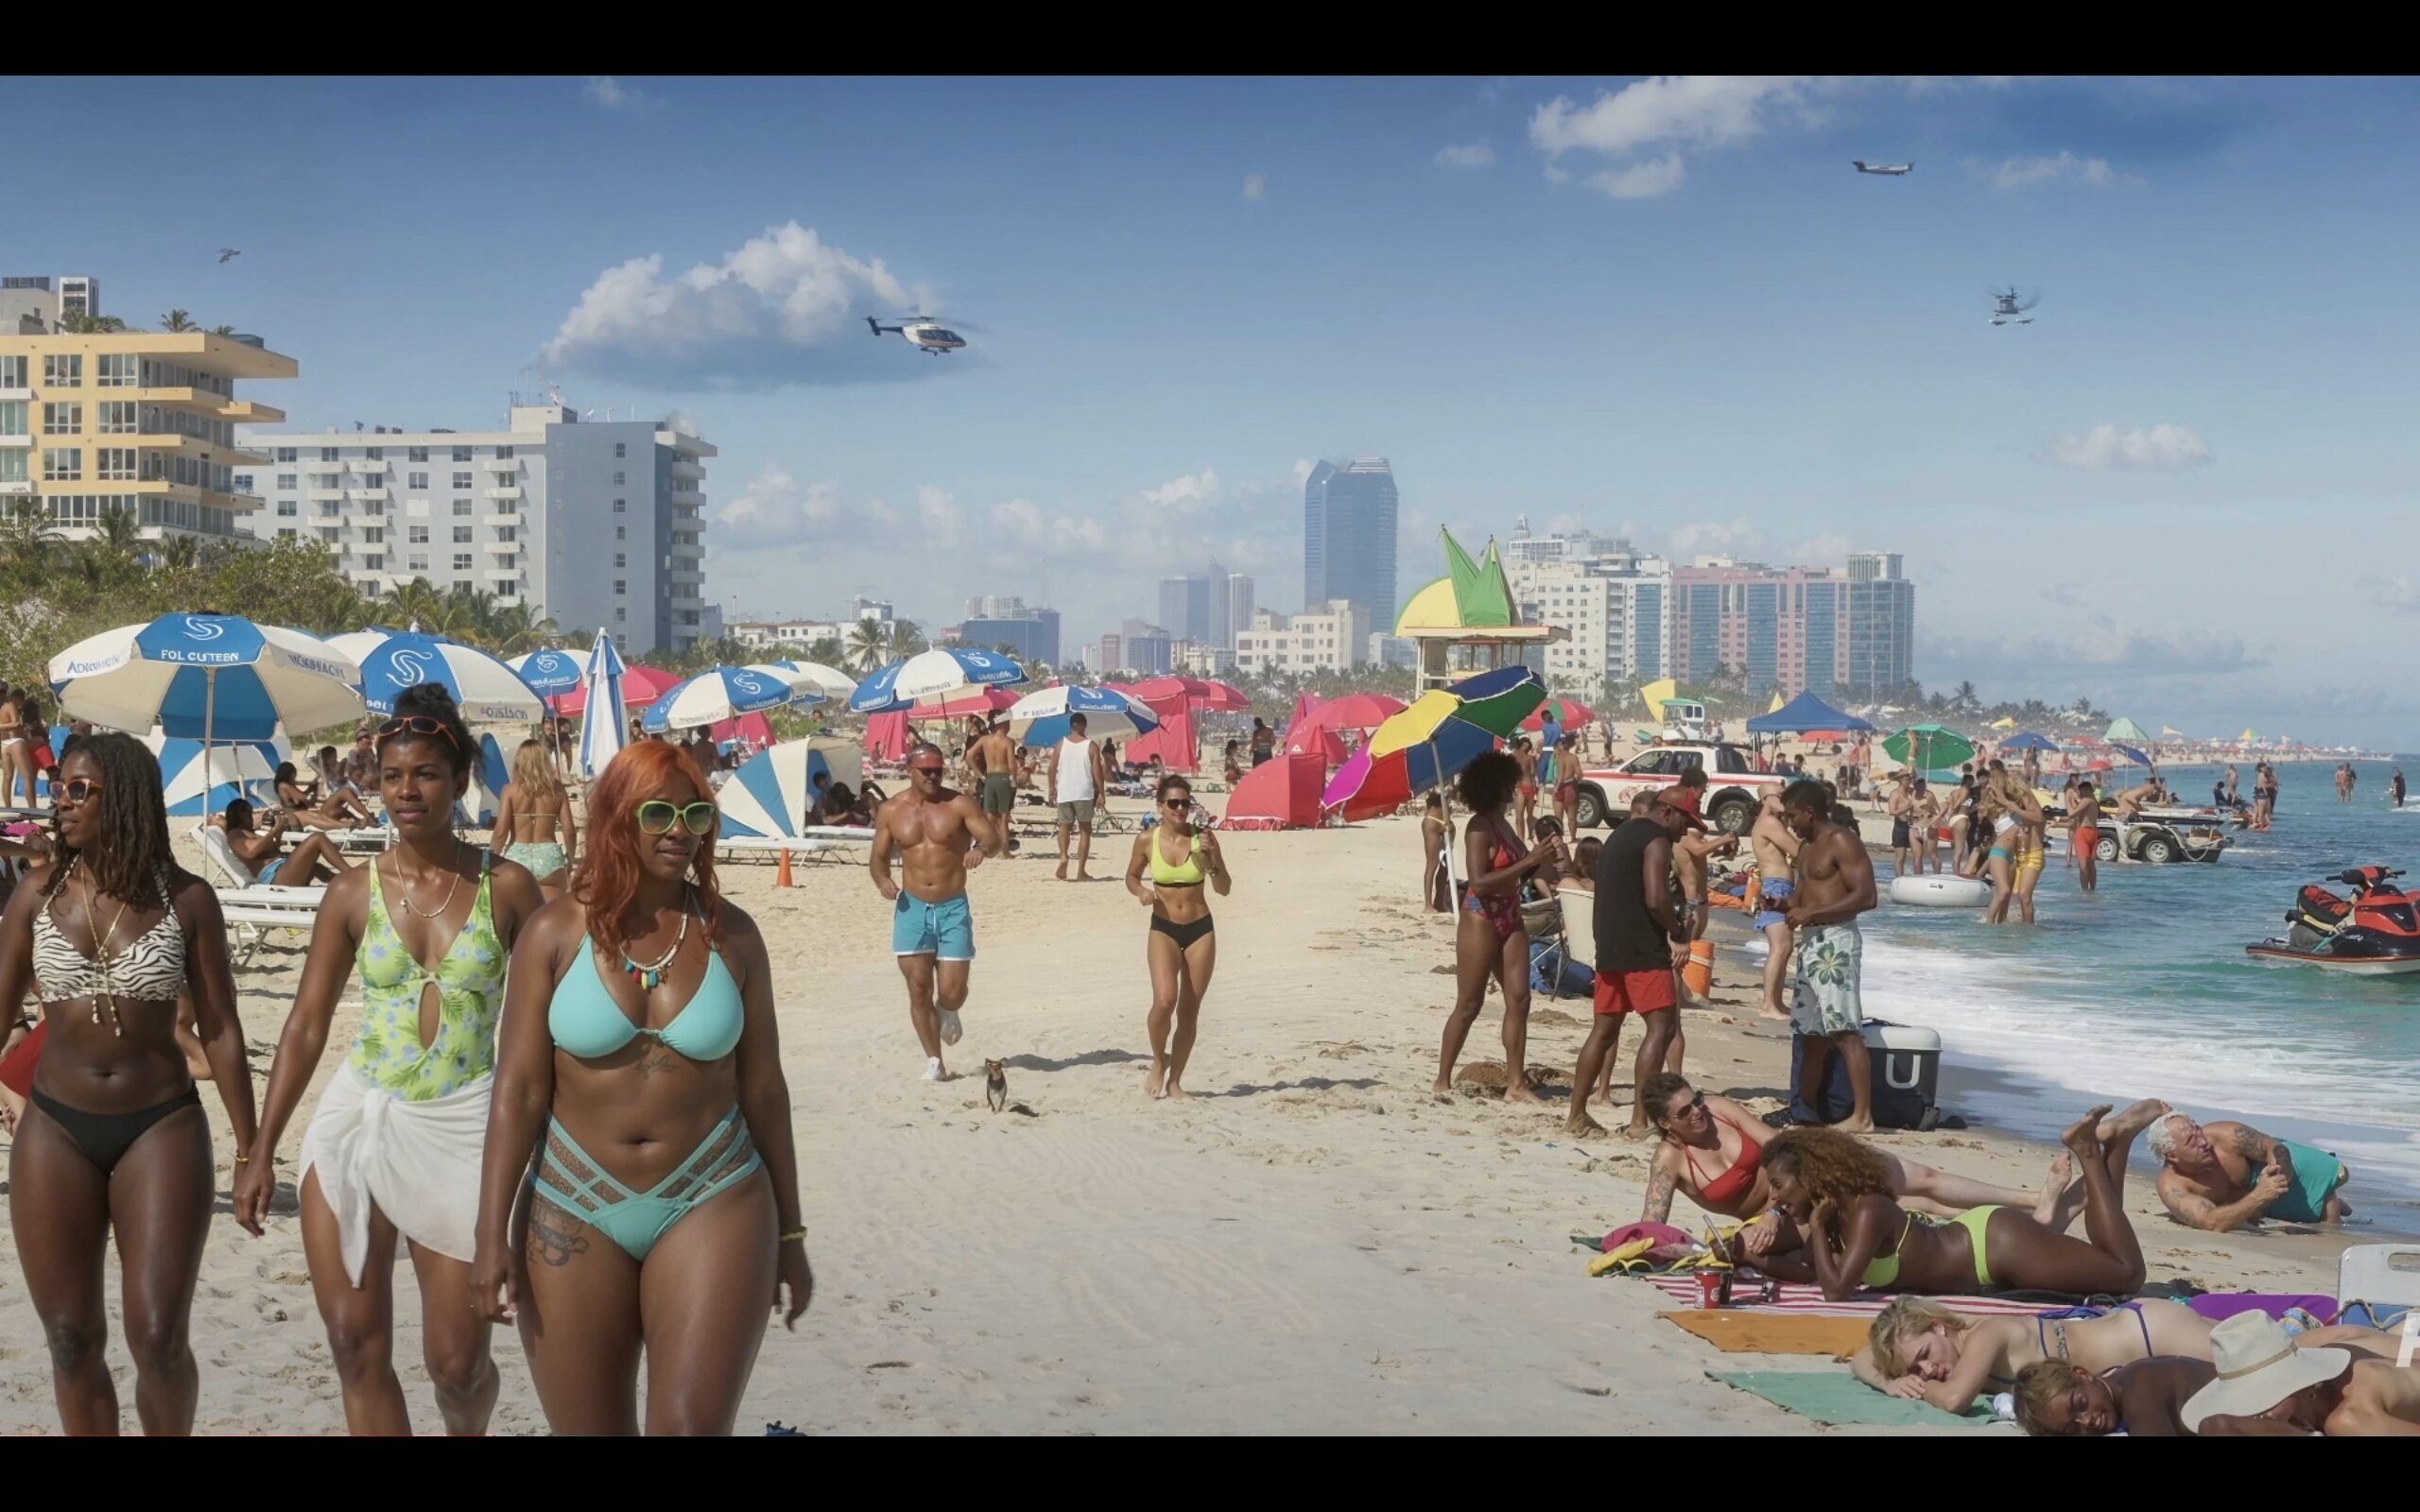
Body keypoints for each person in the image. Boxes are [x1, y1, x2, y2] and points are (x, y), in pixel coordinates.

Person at [472, 740, 812, 1435]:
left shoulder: (734, 936)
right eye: (658, 813)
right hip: (572, 1198)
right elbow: (519, 1091)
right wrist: (489, 1234)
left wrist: (793, 1233)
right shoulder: (553, 932)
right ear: (616, 817)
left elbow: (766, 1092)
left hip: (714, 1192)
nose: (680, 830)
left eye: (696, 814)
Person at [236, 688, 546, 1435]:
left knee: (457, 1364)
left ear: (460, 780)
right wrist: (260, 1148)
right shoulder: (352, 892)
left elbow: (553, 1022)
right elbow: (306, 1025)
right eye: (393, 775)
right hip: (358, 1121)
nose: (407, 791)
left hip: (463, 1127)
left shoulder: (507, 888)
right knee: (354, 1344)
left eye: (427, 774)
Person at [0, 732, 262, 1433]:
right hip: (55, 1127)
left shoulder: (188, 900)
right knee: (69, 1337)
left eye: (78, 790)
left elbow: (222, 1032)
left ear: (126, 801)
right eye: (60, 788)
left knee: (158, 1338)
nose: (61, 802)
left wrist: (251, 1149)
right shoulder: (35, 895)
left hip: (161, 1126)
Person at [1754, 1108, 2150, 1302]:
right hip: (1984, 1245)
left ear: (1810, 1176)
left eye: (1779, 1185)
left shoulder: (1868, 1210)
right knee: (2111, 1265)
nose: (1774, 1196)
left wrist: (1817, 1228)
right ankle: (2118, 1143)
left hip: (1992, 1247)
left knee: (2127, 1275)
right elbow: (1813, 1272)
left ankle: (2088, 1151)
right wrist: (1749, 1257)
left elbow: (1837, 1291)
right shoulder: (1838, 1216)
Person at [1637, 1073, 2058, 1242]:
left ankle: (2031, 1200)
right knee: (1919, 1205)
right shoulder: (1669, 1161)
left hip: (1807, 1171)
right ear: (1666, 1124)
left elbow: (1783, 1149)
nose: (1698, 1112)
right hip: (1786, 1217)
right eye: (1685, 1112)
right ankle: (2022, 1223)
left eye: (1697, 1101)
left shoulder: (1721, 1110)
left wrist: (1776, 1209)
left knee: (1923, 1179)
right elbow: (1652, 1225)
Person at [1434, 751, 1563, 1104]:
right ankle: (1442, 1079)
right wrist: (1530, 860)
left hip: (1510, 912)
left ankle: (1516, 1084)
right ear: (1494, 786)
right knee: (1470, 1003)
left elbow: (1519, 871)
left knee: (1520, 999)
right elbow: (1479, 881)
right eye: (1509, 783)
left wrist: (1543, 861)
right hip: (1481, 917)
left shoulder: (1503, 823)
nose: (1514, 787)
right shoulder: (1479, 827)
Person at [869, 742, 1001, 1082]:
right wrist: (882, 880)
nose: (933, 776)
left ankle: (948, 1009)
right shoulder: (891, 810)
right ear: (909, 770)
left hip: (952, 906)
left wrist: (980, 849)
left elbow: (993, 839)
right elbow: (878, 859)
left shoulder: (959, 804)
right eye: (926, 771)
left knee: (953, 992)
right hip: (911, 907)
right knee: (918, 987)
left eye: (938, 770)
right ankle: (934, 1062)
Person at [1567, 791, 1697, 1137]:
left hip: (1609, 945)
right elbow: (1656, 897)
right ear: (1667, 812)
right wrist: (1677, 930)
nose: (1685, 830)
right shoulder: (1656, 840)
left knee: (1603, 1031)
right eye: (1685, 821)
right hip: (1641, 948)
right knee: (1661, 1028)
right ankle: (1639, 1122)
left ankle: (1576, 1115)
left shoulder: (1620, 834)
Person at [1859, 1290, 2222, 1413]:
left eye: (1924, 1355)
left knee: (2251, 1359)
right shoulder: (1961, 1353)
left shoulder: (1986, 1335)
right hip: (2141, 1338)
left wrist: (1916, 1387)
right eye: (1915, 1370)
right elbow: (1861, 1357)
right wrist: (1888, 1382)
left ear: (1939, 1326)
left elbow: (1954, 1400)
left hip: (2149, 1333)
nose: (1927, 1370)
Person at [1779, 779, 1877, 1131]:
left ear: (1810, 812)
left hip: (1837, 942)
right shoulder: (1806, 847)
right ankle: (1805, 1113)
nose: (1789, 822)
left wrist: (1812, 913)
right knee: (1811, 1034)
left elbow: (1867, 896)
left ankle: (1863, 1117)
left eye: (1792, 816)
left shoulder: (1842, 841)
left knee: (1845, 1030)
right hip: (1811, 943)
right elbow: (1803, 896)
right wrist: (1782, 904)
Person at [1126, 775, 1231, 1100]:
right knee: (1164, 1002)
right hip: (1164, 928)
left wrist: (1213, 860)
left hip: (1200, 930)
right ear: (1161, 806)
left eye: (1186, 803)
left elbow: (1224, 888)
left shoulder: (1204, 838)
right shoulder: (1147, 840)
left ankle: (1175, 1082)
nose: (1180, 808)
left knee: (1189, 1010)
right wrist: (1141, 891)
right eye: (1173, 802)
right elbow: (1131, 876)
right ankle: (1159, 1060)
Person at [2186, 1312, 2420, 1436]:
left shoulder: (2348, 1419)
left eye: (2263, 1405)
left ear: (2305, 1387)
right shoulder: (2328, 1348)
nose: (2257, 1418)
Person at [2150, 1111, 2353, 1229]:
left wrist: (2281, 1171)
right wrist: (2259, 1196)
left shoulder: (2226, 1135)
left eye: (2198, 1130)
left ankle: (2334, 1201)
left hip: (2273, 1169)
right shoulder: (2172, 1187)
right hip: (2255, 1196)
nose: (2203, 1142)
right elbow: (2210, 1221)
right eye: (2191, 1141)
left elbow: (2274, 1147)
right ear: (2172, 1155)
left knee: (2330, 1190)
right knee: (2318, 1225)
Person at [2015, 1357, 2219, 1437]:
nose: (2087, 1421)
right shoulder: (2119, 1379)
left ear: (2082, 1374)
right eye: (2073, 1429)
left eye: (2080, 1404)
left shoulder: (2138, 1389)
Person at [491, 736, 579, 897]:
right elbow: (569, 831)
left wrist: (490, 861)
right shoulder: (557, 789)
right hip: (549, 858)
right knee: (551, 912)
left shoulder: (510, 790)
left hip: (517, 858)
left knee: (518, 911)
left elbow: (501, 832)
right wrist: (571, 860)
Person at [1747, 791, 1801, 1023]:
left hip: (1781, 886)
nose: (1782, 800)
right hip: (1776, 887)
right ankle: (1769, 1004)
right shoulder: (1768, 822)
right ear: (1764, 800)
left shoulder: (1772, 823)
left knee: (1785, 948)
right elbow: (1797, 850)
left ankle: (1777, 1002)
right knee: (1780, 948)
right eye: (1777, 795)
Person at [216, 798, 352, 887]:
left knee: (316, 866)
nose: (252, 816)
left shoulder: (249, 832)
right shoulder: (235, 834)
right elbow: (250, 852)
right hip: (274, 877)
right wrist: (274, 831)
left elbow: (270, 852)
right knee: (317, 838)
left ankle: (344, 885)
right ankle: (351, 874)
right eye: (249, 813)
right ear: (240, 814)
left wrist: (278, 835)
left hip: (282, 870)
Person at [1048, 713, 1109, 883]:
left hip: (1065, 791)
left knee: (1064, 827)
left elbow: (1052, 768)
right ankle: (1081, 871)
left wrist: (1052, 788)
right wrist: (1101, 793)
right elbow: (1097, 772)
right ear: (1084, 725)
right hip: (1083, 792)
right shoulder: (1091, 746)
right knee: (1085, 831)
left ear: (1071, 726)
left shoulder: (1061, 744)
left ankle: (1063, 856)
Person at [968, 716, 1021, 852]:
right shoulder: (1008, 741)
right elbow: (1011, 764)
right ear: (1002, 724)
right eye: (1008, 723)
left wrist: (980, 775)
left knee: (990, 817)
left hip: (990, 778)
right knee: (1003, 817)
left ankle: (985, 848)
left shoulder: (985, 740)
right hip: (1004, 778)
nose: (1009, 726)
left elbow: (969, 755)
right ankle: (1004, 852)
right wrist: (1013, 779)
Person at [0, 681, 35, 808]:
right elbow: (15, 723)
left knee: (7, 777)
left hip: (4, 744)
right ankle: (33, 809)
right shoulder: (9, 704)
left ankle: (8, 808)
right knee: (27, 776)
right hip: (15, 741)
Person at [1420, 792, 1455, 913]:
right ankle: (1428, 905)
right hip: (1433, 822)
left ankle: (1439, 902)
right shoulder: (1435, 806)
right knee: (1432, 865)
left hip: (1445, 823)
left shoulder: (1442, 801)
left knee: (1445, 866)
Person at [2068, 779, 2101, 892]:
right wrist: (2074, 800)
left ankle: (2085, 891)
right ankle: (2091, 890)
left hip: (2084, 832)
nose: (2080, 794)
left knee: (2084, 865)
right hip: (2093, 832)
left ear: (2085, 790)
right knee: (2091, 865)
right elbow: (2080, 812)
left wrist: (2068, 799)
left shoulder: (2087, 800)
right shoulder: (2094, 800)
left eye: (2080, 791)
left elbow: (2072, 814)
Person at [1887, 772, 1917, 878]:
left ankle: (1918, 877)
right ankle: (1899, 878)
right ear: (1900, 780)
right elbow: (1892, 812)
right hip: (1900, 825)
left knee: (1917, 854)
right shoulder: (1895, 794)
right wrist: (1908, 807)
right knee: (1901, 856)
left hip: (1913, 825)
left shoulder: (1912, 792)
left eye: (1910, 779)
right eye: (1906, 779)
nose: (1908, 781)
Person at [1552, 733, 1582, 838]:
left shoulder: (1559, 758)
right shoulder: (1573, 757)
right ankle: (1573, 837)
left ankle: (1560, 837)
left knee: (1558, 817)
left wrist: (1556, 788)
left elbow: (1560, 775)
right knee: (1572, 817)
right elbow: (1579, 774)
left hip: (1560, 786)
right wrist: (1574, 779)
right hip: (1571, 786)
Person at [1512, 737, 1540, 840]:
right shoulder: (1530, 758)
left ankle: (1521, 838)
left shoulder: (1512, 756)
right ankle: (1530, 836)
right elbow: (1533, 773)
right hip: (1529, 785)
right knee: (1529, 815)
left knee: (1519, 817)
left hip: (1518, 787)